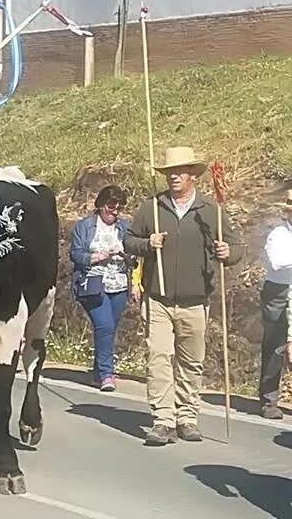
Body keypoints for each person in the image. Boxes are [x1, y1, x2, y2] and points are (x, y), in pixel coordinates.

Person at [124, 146, 242, 445]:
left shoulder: (210, 210)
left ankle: (187, 417)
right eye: (169, 172)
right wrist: (147, 243)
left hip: (196, 299)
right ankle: (163, 419)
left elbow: (236, 247)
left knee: (191, 362)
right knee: (159, 357)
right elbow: (128, 240)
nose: (173, 176)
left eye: (179, 172)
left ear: (192, 175)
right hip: (158, 298)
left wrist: (227, 253)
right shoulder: (151, 207)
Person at [70, 185, 133, 392]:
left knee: (108, 329)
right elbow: (76, 254)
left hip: (120, 285)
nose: (114, 212)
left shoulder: (124, 227)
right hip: (93, 284)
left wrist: (127, 257)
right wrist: (97, 257)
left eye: (118, 208)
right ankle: (107, 374)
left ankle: (97, 373)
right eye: (111, 207)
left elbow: (134, 255)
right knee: (104, 325)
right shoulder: (85, 226)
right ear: (101, 205)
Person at [258, 189, 292, 419]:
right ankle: (269, 399)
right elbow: (278, 262)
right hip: (279, 291)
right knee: (276, 345)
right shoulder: (278, 234)